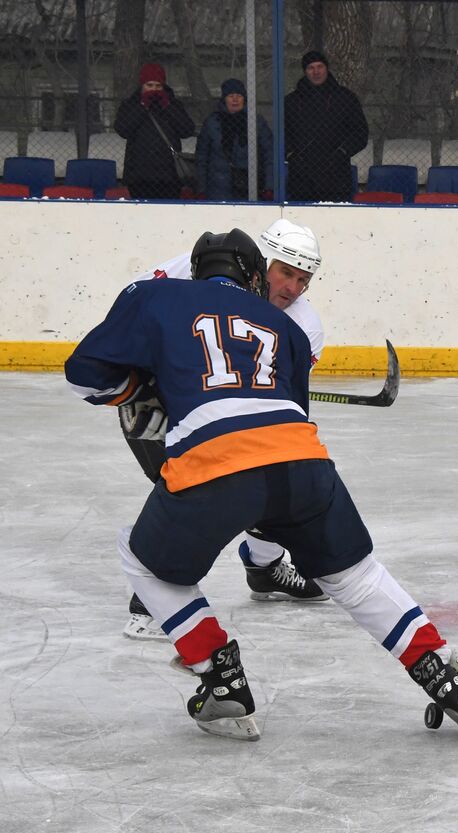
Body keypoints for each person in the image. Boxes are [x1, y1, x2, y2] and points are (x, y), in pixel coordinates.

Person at [66, 230, 458, 740]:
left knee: (141, 562)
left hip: (216, 460)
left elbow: (85, 374)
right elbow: (288, 404)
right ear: (257, 276)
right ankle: (444, 676)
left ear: (195, 270)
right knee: (356, 578)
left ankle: (221, 678)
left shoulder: (154, 293)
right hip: (302, 463)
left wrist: (145, 388)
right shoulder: (290, 328)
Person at [121, 219, 329, 640]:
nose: (292, 287)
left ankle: (264, 565)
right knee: (185, 487)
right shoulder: (193, 269)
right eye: (285, 271)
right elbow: (130, 311)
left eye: (303, 280)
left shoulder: (305, 328)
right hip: (157, 403)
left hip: (228, 414)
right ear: (259, 264)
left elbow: (279, 400)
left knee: (283, 474)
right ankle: (152, 594)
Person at [284, 50, 369, 203]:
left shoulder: (345, 98)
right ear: (305, 71)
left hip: (336, 177)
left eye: (320, 66)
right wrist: (291, 155)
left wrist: (342, 153)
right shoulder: (292, 102)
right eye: (311, 67)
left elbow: (360, 133)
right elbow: (281, 134)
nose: (316, 72)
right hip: (302, 178)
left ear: (326, 68)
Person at [113, 62, 197, 200]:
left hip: (169, 175)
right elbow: (123, 129)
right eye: (149, 85)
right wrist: (142, 106)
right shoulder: (131, 104)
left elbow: (187, 130)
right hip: (139, 175)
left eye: (158, 86)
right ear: (142, 86)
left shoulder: (173, 104)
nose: (154, 90)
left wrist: (167, 106)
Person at [196, 78, 273, 201]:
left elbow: (269, 154)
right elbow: (201, 158)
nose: (235, 99)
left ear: (244, 99)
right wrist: (201, 189)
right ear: (224, 99)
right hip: (218, 189)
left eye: (239, 95)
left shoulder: (256, 122)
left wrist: (270, 186)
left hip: (251, 187)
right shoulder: (212, 123)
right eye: (231, 95)